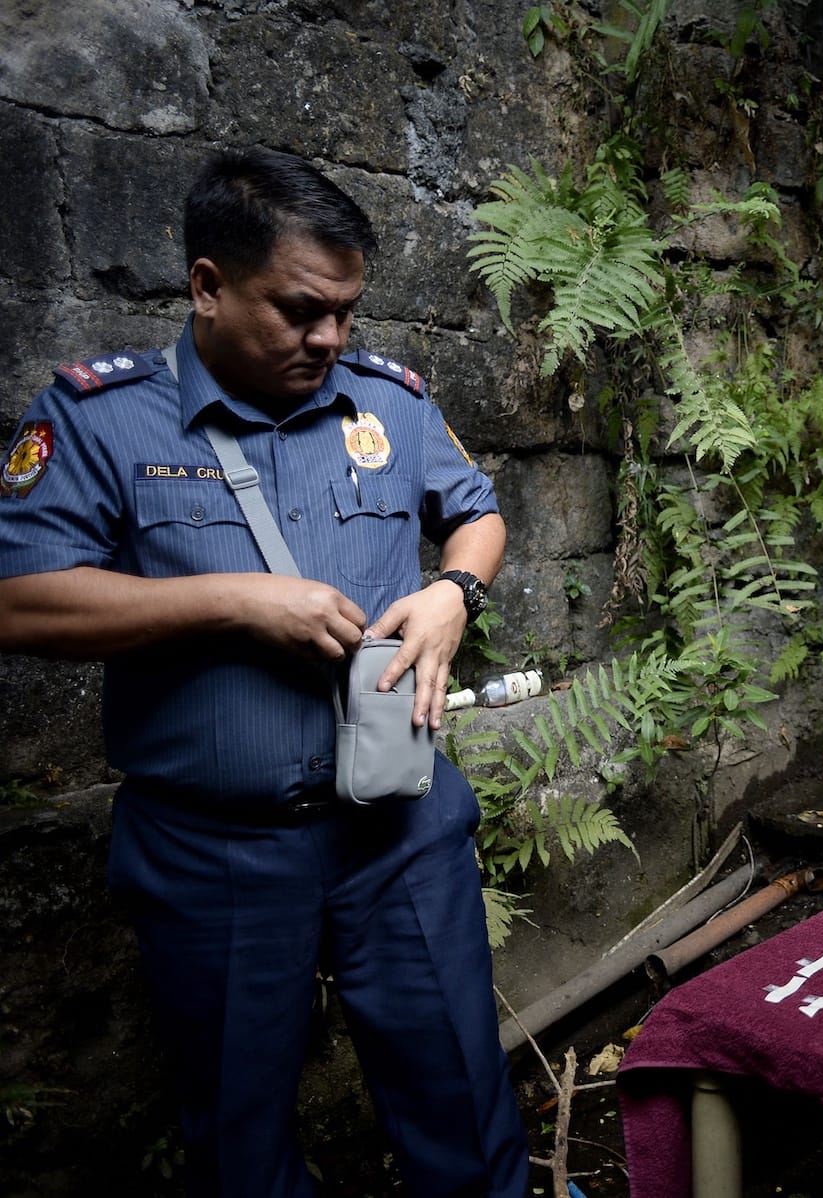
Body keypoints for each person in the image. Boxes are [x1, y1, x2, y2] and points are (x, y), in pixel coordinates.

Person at [0, 147, 527, 1195]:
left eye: (345, 310)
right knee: (242, 1148)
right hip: (216, 855)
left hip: (400, 831)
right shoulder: (101, 419)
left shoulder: (389, 403)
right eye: (299, 309)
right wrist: (233, 599)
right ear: (208, 286)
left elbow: (477, 513)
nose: (329, 337)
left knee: (464, 1105)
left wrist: (453, 593)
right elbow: (17, 599)